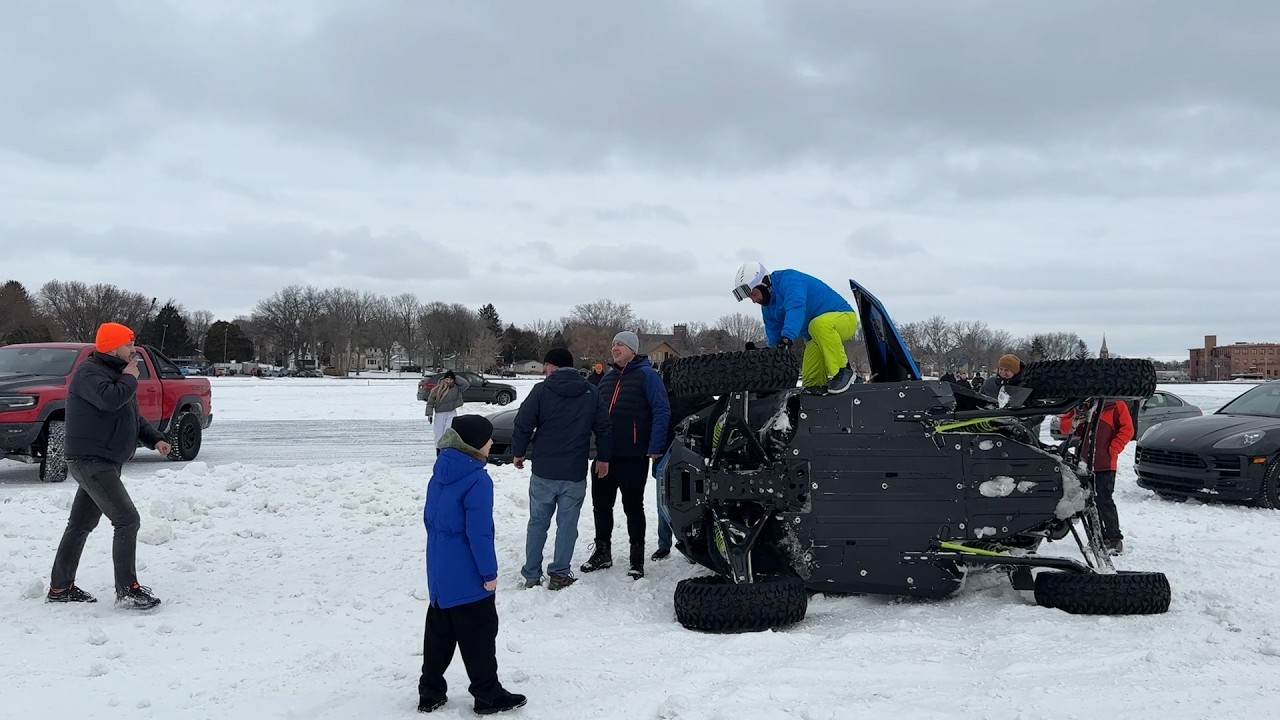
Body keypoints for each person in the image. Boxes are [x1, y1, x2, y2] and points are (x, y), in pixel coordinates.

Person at [47, 322, 170, 609]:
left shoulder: (115, 374)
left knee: (80, 524)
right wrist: (129, 377)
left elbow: (132, 417)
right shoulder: (89, 372)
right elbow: (109, 400)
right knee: (127, 519)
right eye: (128, 346)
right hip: (91, 461)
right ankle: (127, 589)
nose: (133, 350)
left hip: (104, 461)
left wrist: (155, 440)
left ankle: (60, 587)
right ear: (114, 347)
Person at [419, 415, 526, 715]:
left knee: (439, 634)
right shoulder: (477, 479)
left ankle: (430, 691)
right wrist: (488, 574)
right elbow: (479, 534)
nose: (492, 443)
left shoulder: (440, 472)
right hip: (468, 578)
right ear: (475, 444)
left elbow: (430, 521)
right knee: (479, 634)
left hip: (440, 574)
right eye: (488, 438)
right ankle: (487, 694)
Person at [511, 348, 612, 590]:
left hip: (544, 469)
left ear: (550, 366)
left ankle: (532, 575)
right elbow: (604, 428)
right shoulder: (591, 391)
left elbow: (523, 423)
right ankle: (560, 573)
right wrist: (603, 458)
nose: (544, 370)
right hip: (574, 471)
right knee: (567, 524)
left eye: (545, 365)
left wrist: (518, 452)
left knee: (537, 522)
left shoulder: (542, 390)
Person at [580, 331, 671, 579]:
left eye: (620, 344)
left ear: (633, 349)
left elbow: (661, 410)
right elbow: (597, 415)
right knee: (601, 505)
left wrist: (655, 445)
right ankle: (602, 552)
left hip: (633, 455)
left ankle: (636, 558)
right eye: (613, 344)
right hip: (605, 455)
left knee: (633, 507)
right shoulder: (607, 379)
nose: (615, 348)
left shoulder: (647, 376)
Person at [732, 261, 860, 394]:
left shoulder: (790, 280)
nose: (753, 300)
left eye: (754, 294)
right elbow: (774, 338)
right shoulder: (768, 308)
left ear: (764, 283)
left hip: (844, 318)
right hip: (815, 336)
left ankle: (843, 370)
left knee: (818, 325)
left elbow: (796, 308)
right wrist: (767, 354)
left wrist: (787, 337)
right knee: (810, 383)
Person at [1059, 399, 1134, 555]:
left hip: (1105, 465)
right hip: (1084, 463)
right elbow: (1064, 428)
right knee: (1087, 502)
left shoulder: (1116, 405)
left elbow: (1128, 430)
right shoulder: (1080, 405)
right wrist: (1075, 421)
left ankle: (1113, 538)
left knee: (1104, 501)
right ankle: (1095, 536)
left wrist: (1113, 449)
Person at [981, 354, 1044, 440]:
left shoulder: (1027, 385)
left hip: (1022, 431)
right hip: (994, 430)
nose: (1003, 373)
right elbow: (979, 401)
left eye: (1007, 370)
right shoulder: (989, 384)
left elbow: (1040, 410)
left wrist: (1027, 425)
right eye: (1001, 369)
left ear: (1015, 371)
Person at [426, 371, 471, 455]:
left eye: (451, 380)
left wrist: (455, 377)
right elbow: (430, 402)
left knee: (449, 431)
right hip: (440, 413)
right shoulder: (438, 388)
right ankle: (438, 450)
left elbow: (466, 384)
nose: (449, 381)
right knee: (438, 433)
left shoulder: (457, 388)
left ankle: (447, 451)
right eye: (447, 379)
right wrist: (429, 414)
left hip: (451, 412)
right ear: (444, 379)